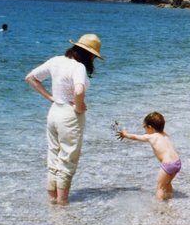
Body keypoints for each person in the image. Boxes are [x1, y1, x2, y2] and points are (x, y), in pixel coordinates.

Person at [25, 33, 103, 205]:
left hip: (54, 112)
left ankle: (52, 201)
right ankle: (62, 204)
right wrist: (80, 106)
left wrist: (50, 97)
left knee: (53, 157)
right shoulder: (78, 67)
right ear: (89, 54)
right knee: (68, 160)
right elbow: (79, 91)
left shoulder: (56, 60)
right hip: (70, 116)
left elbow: (30, 78)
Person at [117, 112, 181, 200]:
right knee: (167, 183)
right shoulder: (164, 134)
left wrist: (125, 134)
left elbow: (135, 137)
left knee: (160, 187)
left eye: (144, 127)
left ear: (150, 127)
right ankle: (170, 197)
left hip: (168, 165)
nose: (144, 129)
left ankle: (159, 207)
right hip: (177, 162)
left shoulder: (151, 137)